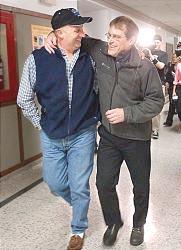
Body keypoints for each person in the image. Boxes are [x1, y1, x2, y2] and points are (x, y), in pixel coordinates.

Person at [46, 16, 164, 246]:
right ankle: (113, 222)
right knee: (103, 183)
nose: (110, 40)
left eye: (116, 37)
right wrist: (54, 34)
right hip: (109, 137)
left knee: (140, 185)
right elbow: (78, 37)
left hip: (136, 138)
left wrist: (127, 113)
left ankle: (138, 224)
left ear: (131, 40)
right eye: (109, 35)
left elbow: (156, 102)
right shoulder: (100, 50)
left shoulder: (144, 66)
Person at [17, 8, 98, 250]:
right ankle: (79, 203)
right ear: (60, 33)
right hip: (51, 134)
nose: (82, 34)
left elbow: (107, 44)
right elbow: (24, 98)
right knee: (54, 182)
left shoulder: (91, 56)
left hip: (83, 133)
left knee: (80, 184)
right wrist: (40, 123)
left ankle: (78, 228)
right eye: (77, 29)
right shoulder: (37, 59)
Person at [144, 34, 168, 139]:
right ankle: (146, 128)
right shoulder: (146, 52)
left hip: (159, 82)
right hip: (146, 83)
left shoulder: (163, 54)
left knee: (157, 107)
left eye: (157, 42)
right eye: (154, 41)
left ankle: (155, 129)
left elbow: (161, 66)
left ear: (161, 42)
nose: (155, 44)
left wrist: (151, 56)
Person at [163, 53, 177, 127]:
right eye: (173, 57)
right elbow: (166, 74)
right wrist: (166, 82)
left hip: (179, 86)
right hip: (171, 86)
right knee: (172, 103)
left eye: (176, 57)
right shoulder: (169, 65)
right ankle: (169, 121)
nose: (174, 59)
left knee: (176, 104)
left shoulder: (180, 65)